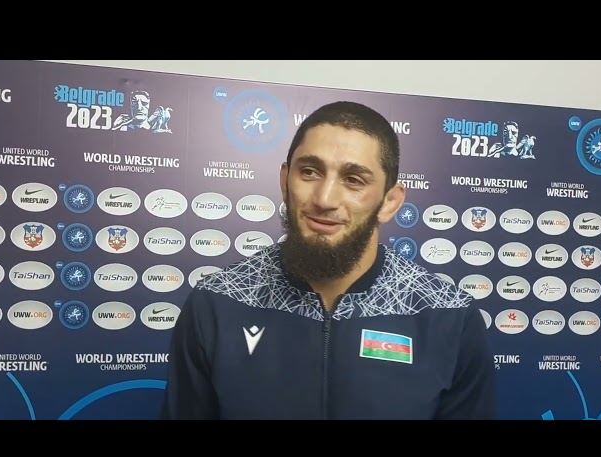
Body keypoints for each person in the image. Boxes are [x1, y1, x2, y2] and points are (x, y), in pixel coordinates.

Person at [160, 100, 499, 420]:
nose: (324, 199)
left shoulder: (448, 316)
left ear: (390, 202)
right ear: (284, 181)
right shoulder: (216, 302)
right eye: (309, 172)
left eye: (353, 180)